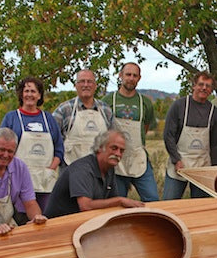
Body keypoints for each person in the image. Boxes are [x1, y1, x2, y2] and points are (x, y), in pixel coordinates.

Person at [44, 129, 144, 218]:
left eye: (121, 151)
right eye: (114, 148)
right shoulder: (82, 169)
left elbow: (112, 203)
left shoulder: (109, 168)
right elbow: (85, 206)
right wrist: (120, 200)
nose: (118, 154)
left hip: (83, 224)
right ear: (100, 148)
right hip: (58, 226)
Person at [1, 76, 64, 212]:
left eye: (33, 91)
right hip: (19, 179)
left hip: (45, 181)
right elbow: (2, 149)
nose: (29, 94)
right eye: (26, 91)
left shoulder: (48, 119)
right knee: (21, 218)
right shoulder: (11, 118)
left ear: (39, 95)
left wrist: (51, 169)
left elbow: (59, 149)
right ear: (21, 94)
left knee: (45, 218)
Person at [101, 62, 159, 202]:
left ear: (139, 78)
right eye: (128, 74)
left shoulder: (145, 102)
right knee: (118, 203)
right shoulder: (108, 100)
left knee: (152, 199)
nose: (131, 78)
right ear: (120, 76)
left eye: (135, 75)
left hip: (138, 157)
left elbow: (145, 128)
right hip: (116, 160)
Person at [163, 71, 217, 199]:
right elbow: (168, 135)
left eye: (208, 86)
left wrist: (215, 170)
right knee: (170, 204)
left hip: (203, 166)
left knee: (200, 207)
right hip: (179, 165)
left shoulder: (214, 112)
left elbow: (216, 144)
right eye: (201, 84)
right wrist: (176, 159)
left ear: (211, 90)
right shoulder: (179, 106)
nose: (204, 88)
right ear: (194, 86)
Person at [52, 69, 113, 168]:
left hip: (99, 169)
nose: (86, 85)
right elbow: (52, 137)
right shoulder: (64, 109)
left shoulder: (106, 110)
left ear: (95, 85)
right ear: (76, 85)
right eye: (82, 81)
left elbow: (112, 140)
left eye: (89, 82)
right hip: (70, 168)